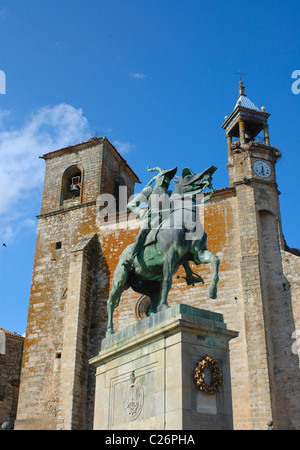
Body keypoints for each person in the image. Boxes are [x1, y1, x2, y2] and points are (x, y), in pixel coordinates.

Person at [122, 166, 177, 270]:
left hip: (166, 220)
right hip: (152, 219)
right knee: (142, 234)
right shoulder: (149, 190)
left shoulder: (170, 193)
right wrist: (141, 212)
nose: (168, 179)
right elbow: (131, 204)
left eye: (170, 177)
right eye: (166, 176)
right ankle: (130, 258)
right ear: (161, 178)